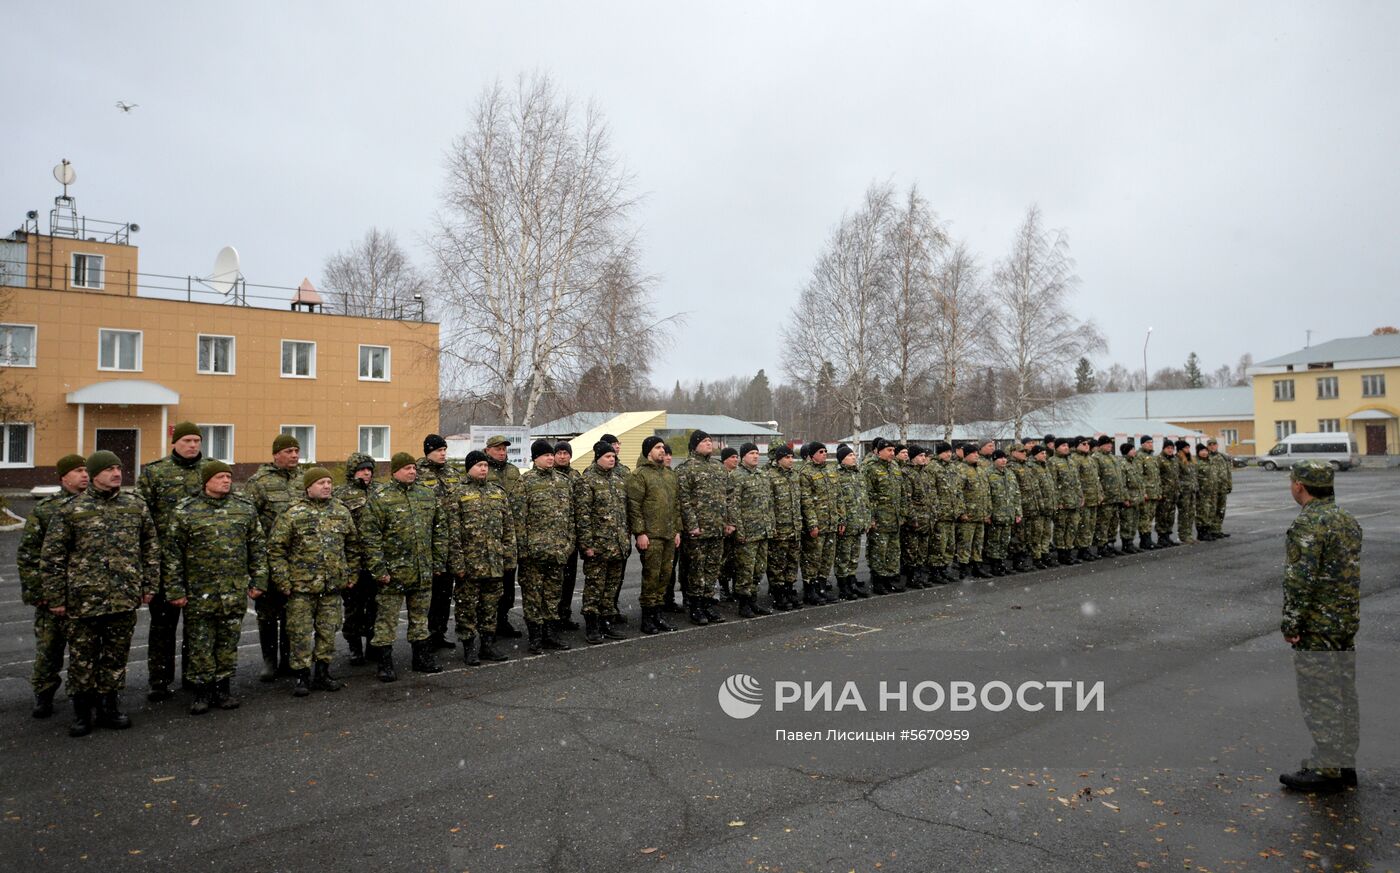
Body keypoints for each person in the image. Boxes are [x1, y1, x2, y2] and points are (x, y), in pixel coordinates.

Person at [39, 450, 159, 737]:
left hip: (123, 597)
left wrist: (149, 585)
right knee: (83, 658)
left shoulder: (135, 506)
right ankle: (82, 713)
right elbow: (52, 557)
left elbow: (151, 548)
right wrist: (56, 597)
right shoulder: (71, 510)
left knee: (115, 657)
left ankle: (109, 708)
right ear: (94, 475)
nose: (117, 473)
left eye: (118, 468)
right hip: (83, 600)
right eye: (109, 469)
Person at [1278, 461, 1363, 793]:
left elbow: (1300, 581)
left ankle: (1328, 769)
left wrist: (1291, 622)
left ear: (1300, 485)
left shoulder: (1309, 525)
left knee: (1320, 696)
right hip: (1344, 621)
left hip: (1318, 625)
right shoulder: (1346, 519)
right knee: (1344, 693)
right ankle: (1344, 763)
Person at [163, 460, 265, 715]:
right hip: (199, 591)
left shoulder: (243, 509)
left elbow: (257, 548)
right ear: (206, 481)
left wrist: (259, 580)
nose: (226, 481)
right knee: (200, 643)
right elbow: (173, 554)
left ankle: (223, 688)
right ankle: (201, 691)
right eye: (220, 477)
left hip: (232, 590)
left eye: (228, 477)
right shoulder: (186, 511)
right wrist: (175, 589)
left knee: (228, 641)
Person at [268, 468, 360, 697]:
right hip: (301, 588)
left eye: (329, 482)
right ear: (308, 487)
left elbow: (353, 546)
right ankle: (301, 675)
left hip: (331, 587)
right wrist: (283, 580)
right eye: (321, 483)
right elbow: (276, 550)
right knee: (299, 633)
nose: (327, 486)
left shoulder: (341, 511)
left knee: (328, 631)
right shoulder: (292, 513)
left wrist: (351, 574)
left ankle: (323, 673)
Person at [136, 420, 205, 702]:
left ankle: (193, 675)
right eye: (187, 440)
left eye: (196, 441)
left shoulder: (210, 471)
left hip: (202, 563)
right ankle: (160, 680)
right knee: (163, 626)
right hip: (167, 564)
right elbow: (143, 518)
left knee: (197, 625)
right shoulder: (155, 473)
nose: (192, 445)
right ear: (175, 442)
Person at [363, 453, 448, 681]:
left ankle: (421, 658)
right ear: (395, 471)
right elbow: (370, 538)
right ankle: (385, 663)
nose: (412, 471)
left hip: (422, 571)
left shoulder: (426, 495)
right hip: (392, 575)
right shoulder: (381, 498)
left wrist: (438, 562)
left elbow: (439, 531)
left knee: (420, 619)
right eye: (407, 468)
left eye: (414, 468)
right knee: (387, 622)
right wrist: (379, 569)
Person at [16, 454, 87, 718]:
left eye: (86, 470)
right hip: (54, 592)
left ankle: (85, 696)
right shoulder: (46, 509)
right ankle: (44, 694)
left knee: (87, 651)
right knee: (49, 648)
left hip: (87, 594)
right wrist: (39, 592)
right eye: (78, 471)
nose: (84, 475)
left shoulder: (95, 505)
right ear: (63, 477)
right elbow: (28, 554)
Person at [244, 433, 303, 680]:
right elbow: (248, 520)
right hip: (269, 559)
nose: (294, 455)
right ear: (276, 454)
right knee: (268, 614)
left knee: (293, 612)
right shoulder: (259, 482)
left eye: (296, 451)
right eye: (288, 451)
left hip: (298, 559)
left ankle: (289, 660)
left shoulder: (303, 480)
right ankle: (270, 661)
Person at [450, 450, 515, 664]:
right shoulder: (457, 494)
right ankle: (469, 647)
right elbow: (453, 533)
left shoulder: (497, 492)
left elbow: (508, 529)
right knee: (467, 607)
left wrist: (508, 557)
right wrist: (457, 563)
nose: (484, 469)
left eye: (486, 466)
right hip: (470, 565)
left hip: (494, 563)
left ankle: (488, 645)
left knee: (490, 607)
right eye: (479, 465)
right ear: (469, 468)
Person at [513, 439, 576, 654]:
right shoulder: (525, 483)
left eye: (552, 454)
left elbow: (570, 516)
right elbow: (518, 521)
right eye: (546, 455)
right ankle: (535, 637)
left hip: (557, 551)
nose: (551, 458)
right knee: (533, 597)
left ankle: (551, 634)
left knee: (552, 596)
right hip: (534, 553)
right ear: (535, 458)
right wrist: (523, 551)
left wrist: (569, 544)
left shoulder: (563, 481)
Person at [573, 441, 631, 643]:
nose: (612, 459)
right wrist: (587, 545)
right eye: (607, 456)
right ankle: (592, 626)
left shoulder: (618, 480)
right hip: (598, 547)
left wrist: (625, 540)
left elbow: (624, 514)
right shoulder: (587, 481)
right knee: (594, 588)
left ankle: (606, 623)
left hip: (617, 546)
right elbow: (583, 516)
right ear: (598, 457)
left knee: (611, 588)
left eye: (613, 456)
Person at [626, 436, 681, 634]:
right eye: (657, 447)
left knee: (664, 577)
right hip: (651, 535)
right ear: (648, 451)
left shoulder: (669, 475)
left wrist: (676, 530)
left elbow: (675, 505)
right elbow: (634, 506)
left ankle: (658, 615)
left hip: (668, 534)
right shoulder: (639, 475)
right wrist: (640, 532)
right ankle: (647, 618)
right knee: (651, 577)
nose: (662, 450)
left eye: (663, 447)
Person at [677, 430, 731, 625]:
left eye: (710, 441)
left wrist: (728, 522)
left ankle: (709, 604)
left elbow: (727, 497)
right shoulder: (686, 469)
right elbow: (683, 501)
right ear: (694, 445)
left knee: (712, 569)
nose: (709, 444)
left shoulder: (718, 468)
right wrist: (692, 525)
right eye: (705, 441)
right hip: (697, 531)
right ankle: (696, 606)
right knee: (696, 570)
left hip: (717, 528)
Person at [416, 434, 462, 650]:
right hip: (429, 542)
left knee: (445, 593)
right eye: (438, 450)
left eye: (445, 449)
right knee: (428, 594)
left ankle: (439, 633)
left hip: (451, 541)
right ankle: (424, 636)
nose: (443, 453)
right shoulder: (417, 472)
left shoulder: (452, 473)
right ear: (428, 452)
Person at [334, 453, 379, 665]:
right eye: (362, 469)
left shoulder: (380, 491)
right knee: (353, 608)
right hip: (352, 562)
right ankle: (354, 647)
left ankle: (373, 644)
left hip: (376, 561)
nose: (366, 473)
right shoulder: (340, 494)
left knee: (375, 606)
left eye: (369, 469)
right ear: (353, 471)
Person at [725, 443, 776, 618]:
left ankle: (753, 601)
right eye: (751, 453)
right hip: (747, 532)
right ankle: (744, 604)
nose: (755, 456)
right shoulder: (737, 476)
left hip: (763, 531)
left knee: (758, 569)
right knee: (745, 569)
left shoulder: (762, 475)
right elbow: (733, 505)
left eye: (757, 453)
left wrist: (771, 526)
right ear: (743, 456)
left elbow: (769, 504)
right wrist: (739, 530)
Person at [484, 435, 524, 639]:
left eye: (504, 449)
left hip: (510, 534)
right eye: (497, 449)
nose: (502, 452)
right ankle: (486, 625)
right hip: (489, 536)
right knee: (490, 583)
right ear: (488, 449)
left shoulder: (512, 471)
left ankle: (503, 620)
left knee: (508, 582)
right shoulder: (482, 468)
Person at [863, 438, 905, 592]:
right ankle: (878, 580)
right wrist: (871, 518)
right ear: (879, 451)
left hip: (894, 518)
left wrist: (902, 514)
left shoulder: (894, 466)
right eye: (889, 450)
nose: (892, 453)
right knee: (878, 550)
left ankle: (890, 578)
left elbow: (900, 492)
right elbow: (867, 495)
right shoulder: (871, 468)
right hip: (880, 518)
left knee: (893, 550)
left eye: (893, 450)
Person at [766, 444, 805, 609]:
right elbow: (768, 505)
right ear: (778, 459)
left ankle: (789, 589)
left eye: (791, 457)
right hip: (779, 528)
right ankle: (778, 593)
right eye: (787, 457)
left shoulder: (795, 475)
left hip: (794, 527)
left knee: (792, 561)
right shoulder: (770, 476)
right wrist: (772, 526)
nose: (790, 460)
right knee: (777, 563)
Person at [833, 443, 871, 599]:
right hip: (846, 523)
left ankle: (851, 582)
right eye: (850, 455)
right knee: (843, 556)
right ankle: (843, 586)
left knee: (854, 556)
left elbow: (864, 499)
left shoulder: (858, 474)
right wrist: (841, 521)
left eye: (854, 455)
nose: (853, 457)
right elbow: (837, 501)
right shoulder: (837, 476)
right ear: (842, 460)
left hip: (858, 522)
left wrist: (867, 519)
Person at [554, 442, 583, 629]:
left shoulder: (575, 477)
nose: (562, 456)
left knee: (569, 579)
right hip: (554, 538)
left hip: (571, 537)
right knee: (554, 580)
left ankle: (565, 614)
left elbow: (580, 507)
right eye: (559, 453)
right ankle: (553, 616)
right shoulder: (550, 476)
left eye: (566, 453)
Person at [898, 446, 934, 589]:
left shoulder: (924, 473)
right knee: (911, 551)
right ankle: (912, 578)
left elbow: (931, 496)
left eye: (924, 455)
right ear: (913, 458)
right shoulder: (907, 473)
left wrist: (933, 514)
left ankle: (919, 576)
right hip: (915, 520)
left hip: (926, 518)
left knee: (922, 550)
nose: (923, 458)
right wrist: (912, 518)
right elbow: (907, 499)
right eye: (920, 455)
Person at [956, 444, 992, 578]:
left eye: (977, 453)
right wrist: (961, 512)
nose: (977, 455)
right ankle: (963, 568)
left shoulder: (981, 470)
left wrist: (988, 511)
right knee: (965, 542)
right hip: (968, 515)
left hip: (980, 514)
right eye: (974, 453)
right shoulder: (961, 470)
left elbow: (986, 492)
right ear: (967, 455)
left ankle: (977, 565)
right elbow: (957, 492)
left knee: (978, 543)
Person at [985, 450, 1022, 576]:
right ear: (994, 460)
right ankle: (994, 565)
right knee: (994, 541)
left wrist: (1018, 512)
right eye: (1000, 458)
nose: (1003, 460)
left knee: (1005, 541)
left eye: (1005, 458)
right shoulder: (988, 474)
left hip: (1008, 514)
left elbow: (1016, 494)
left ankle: (1001, 563)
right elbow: (986, 496)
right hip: (996, 514)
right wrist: (988, 513)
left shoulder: (1010, 474)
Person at [930, 442, 964, 581]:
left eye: (950, 452)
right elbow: (931, 491)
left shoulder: (952, 467)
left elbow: (958, 490)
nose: (949, 454)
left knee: (950, 544)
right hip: (941, 514)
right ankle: (935, 571)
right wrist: (936, 511)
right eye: (945, 452)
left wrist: (960, 509)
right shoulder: (932, 467)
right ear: (939, 453)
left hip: (952, 513)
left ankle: (944, 568)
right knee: (939, 544)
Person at [1050, 438, 1084, 566]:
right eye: (1063, 445)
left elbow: (1077, 482)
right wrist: (1057, 501)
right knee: (1060, 528)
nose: (1066, 447)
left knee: (1072, 528)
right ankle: (1061, 553)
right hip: (1062, 502)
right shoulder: (1053, 462)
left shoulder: (1071, 461)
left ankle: (1069, 551)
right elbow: (1052, 483)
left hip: (1074, 501)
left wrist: (1081, 496)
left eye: (1067, 445)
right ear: (1057, 447)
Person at [1074, 437, 1102, 561]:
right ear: (1077, 446)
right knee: (1083, 525)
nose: (1087, 446)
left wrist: (1100, 493)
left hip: (1093, 497)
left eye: (1088, 444)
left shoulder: (1090, 459)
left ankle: (1087, 547)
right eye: (1083, 444)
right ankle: (1082, 549)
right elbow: (1075, 481)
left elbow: (1096, 479)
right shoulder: (1075, 459)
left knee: (1091, 524)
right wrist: (1080, 496)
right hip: (1084, 498)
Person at [718, 446, 740, 602]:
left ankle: (735, 588)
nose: (736, 459)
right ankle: (723, 588)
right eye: (732, 457)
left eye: (737, 457)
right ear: (725, 459)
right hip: (725, 524)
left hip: (737, 523)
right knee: (723, 559)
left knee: (735, 559)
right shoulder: (721, 476)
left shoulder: (738, 476)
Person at [1135, 436, 1161, 551]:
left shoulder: (1152, 457)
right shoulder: (1139, 456)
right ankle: (1145, 540)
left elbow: (1156, 476)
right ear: (1142, 444)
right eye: (1148, 443)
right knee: (1144, 516)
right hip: (1146, 492)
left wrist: (1159, 491)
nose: (1150, 444)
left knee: (1150, 516)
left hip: (1154, 491)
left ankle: (1148, 538)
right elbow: (1139, 476)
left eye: (1151, 442)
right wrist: (1143, 492)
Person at [1119, 442, 1144, 554]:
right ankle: (1126, 543)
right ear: (1126, 451)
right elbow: (1122, 483)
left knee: (1134, 521)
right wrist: (1125, 498)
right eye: (1132, 449)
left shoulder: (1134, 463)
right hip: (1129, 497)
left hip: (1137, 497)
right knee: (1127, 521)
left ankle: (1131, 542)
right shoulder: (1123, 464)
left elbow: (1140, 481)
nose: (1134, 451)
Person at [1154, 439, 1180, 546]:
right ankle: (1161, 537)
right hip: (1164, 493)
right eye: (1168, 448)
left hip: (1173, 493)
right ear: (1164, 448)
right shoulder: (1159, 460)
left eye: (1171, 448)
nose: (1170, 450)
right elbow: (1156, 477)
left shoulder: (1174, 460)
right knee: (1162, 515)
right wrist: (1160, 491)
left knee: (1170, 516)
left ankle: (1167, 536)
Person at [1207, 437, 1233, 537]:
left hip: (1222, 487)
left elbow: (1228, 472)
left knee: (1221, 510)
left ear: (1217, 445)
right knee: (1211, 510)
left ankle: (1217, 529)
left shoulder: (1222, 457)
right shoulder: (1206, 457)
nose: (1212, 446)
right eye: (1210, 445)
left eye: (1214, 444)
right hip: (1212, 488)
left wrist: (1229, 485)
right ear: (1208, 446)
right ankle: (1210, 530)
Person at [1175, 440, 1198, 545]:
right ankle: (1183, 535)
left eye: (1189, 448)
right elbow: (1176, 477)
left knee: (1191, 513)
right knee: (1184, 513)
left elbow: (1193, 475)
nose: (1188, 450)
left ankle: (1188, 534)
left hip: (1191, 490)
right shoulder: (1178, 460)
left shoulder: (1190, 460)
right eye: (1186, 448)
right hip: (1184, 491)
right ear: (1180, 449)